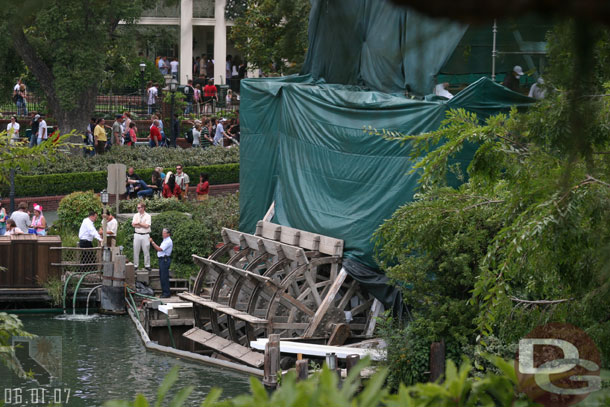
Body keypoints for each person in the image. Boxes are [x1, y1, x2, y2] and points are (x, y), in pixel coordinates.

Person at [150, 228, 173, 298]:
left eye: (164, 233)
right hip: (162, 259)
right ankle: (164, 292)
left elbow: (160, 249)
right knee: (162, 276)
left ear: (168, 234)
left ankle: (166, 293)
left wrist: (152, 242)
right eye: (162, 232)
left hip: (164, 260)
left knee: (164, 277)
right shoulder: (165, 240)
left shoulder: (168, 241)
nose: (162, 234)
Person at [132, 202, 151, 271]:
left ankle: (147, 265)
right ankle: (135, 265)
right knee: (136, 250)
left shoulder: (148, 216)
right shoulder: (135, 215)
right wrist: (142, 224)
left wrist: (139, 223)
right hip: (137, 234)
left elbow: (147, 226)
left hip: (145, 235)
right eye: (137, 207)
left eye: (139, 207)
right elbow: (133, 225)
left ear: (143, 208)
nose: (138, 209)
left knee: (146, 250)